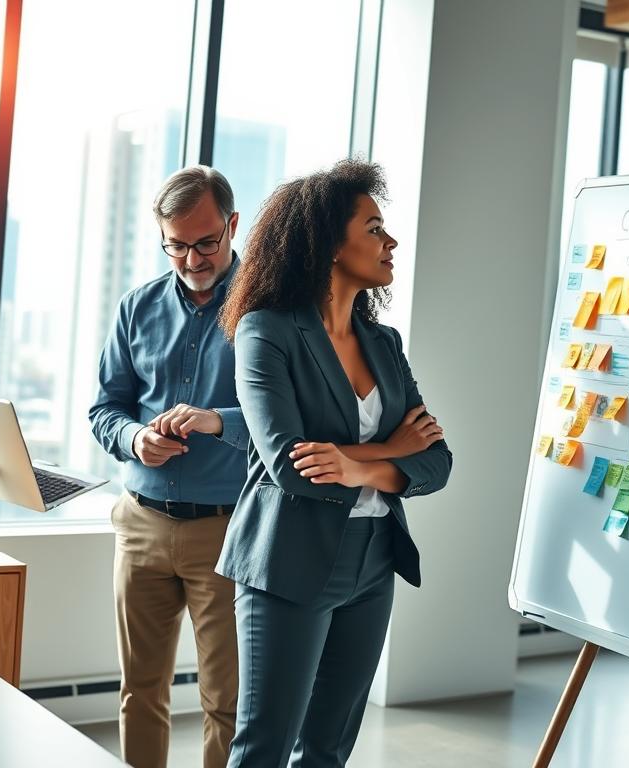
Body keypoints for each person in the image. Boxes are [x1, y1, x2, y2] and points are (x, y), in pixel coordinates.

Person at [217, 158, 453, 767]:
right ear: (326, 241)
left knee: (328, 749)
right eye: (374, 227)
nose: (390, 240)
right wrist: (392, 452)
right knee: (264, 746)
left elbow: (438, 461)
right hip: (289, 559)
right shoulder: (264, 331)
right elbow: (288, 465)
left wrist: (358, 467)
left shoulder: (384, 344)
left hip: (373, 559)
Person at [89, 165, 246, 768]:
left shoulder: (266, 312)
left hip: (227, 531)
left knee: (226, 702)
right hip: (141, 524)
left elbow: (285, 421)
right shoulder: (138, 307)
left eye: (206, 242)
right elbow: (106, 408)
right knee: (139, 691)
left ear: (232, 225)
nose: (192, 259)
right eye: (176, 245)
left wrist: (216, 420)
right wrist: (133, 439)